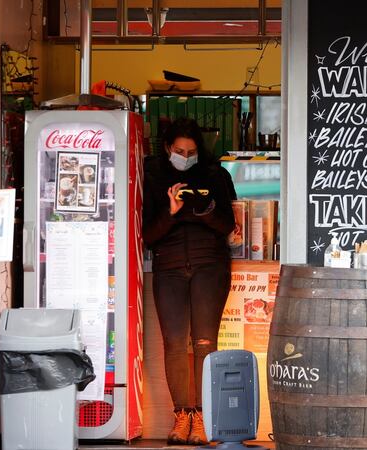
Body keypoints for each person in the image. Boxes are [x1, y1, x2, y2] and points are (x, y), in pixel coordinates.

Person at [142, 117, 237, 445]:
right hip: (168, 267)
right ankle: (183, 415)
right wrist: (171, 210)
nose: (185, 156)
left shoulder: (215, 175)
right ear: (168, 148)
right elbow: (148, 235)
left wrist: (203, 207)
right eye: (179, 150)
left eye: (192, 151)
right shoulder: (152, 175)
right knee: (175, 344)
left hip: (210, 267)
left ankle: (204, 417)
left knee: (204, 344)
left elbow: (227, 225)